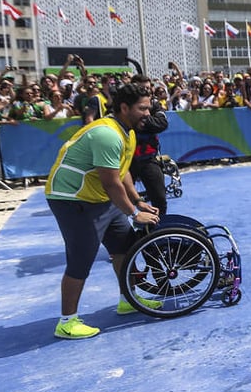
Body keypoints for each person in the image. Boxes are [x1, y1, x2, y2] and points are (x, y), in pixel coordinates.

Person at [45, 83, 160, 340]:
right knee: (81, 258)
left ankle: (127, 299)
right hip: (72, 199)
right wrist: (133, 213)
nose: (147, 113)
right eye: (142, 108)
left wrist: (137, 200)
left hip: (100, 197)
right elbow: (110, 182)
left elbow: (123, 172)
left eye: (149, 108)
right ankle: (67, 322)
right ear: (123, 107)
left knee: (125, 248)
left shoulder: (127, 132)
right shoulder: (106, 134)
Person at [129, 74, 169, 215]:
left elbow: (162, 124)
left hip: (148, 159)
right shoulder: (125, 106)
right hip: (127, 160)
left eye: (148, 87)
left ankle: (157, 229)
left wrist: (143, 120)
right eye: (142, 88)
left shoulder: (155, 105)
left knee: (159, 198)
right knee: (120, 197)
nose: (147, 91)